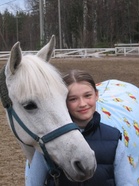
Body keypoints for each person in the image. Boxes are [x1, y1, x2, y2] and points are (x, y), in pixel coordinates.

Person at [25, 69, 134, 186]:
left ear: (96, 95)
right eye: (73, 99)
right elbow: (33, 182)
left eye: (87, 95)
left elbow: (126, 182)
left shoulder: (113, 139)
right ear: (63, 101)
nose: (82, 104)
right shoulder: (48, 141)